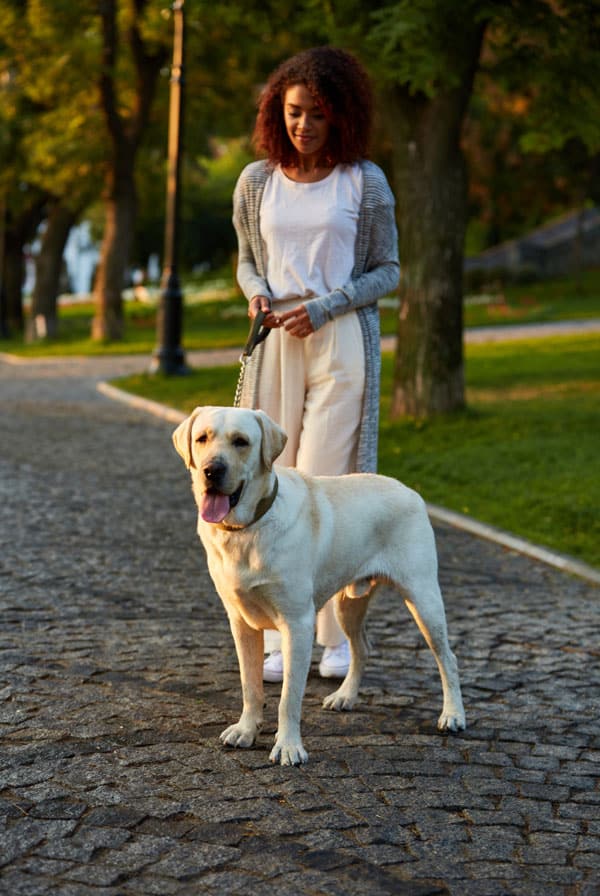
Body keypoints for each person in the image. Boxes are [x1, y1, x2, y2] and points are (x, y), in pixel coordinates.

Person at [232, 46, 400, 683]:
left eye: (318, 115)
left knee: (326, 484)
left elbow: (388, 270)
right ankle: (275, 635)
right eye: (294, 112)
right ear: (279, 111)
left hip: (339, 338)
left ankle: (331, 638)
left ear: (341, 118)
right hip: (275, 335)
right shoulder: (256, 181)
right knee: (266, 480)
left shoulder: (366, 182)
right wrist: (256, 292)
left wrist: (328, 306)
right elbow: (248, 259)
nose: (303, 125)